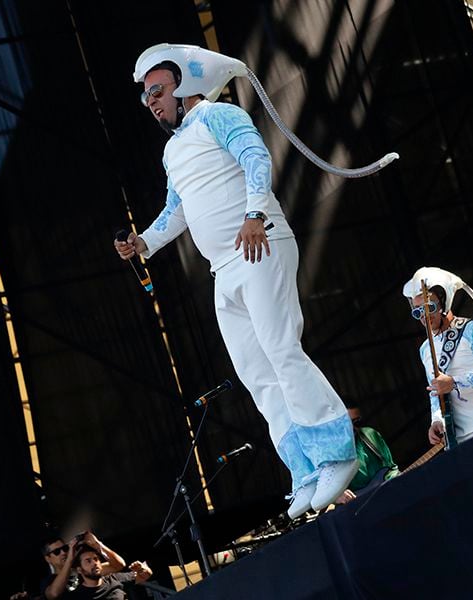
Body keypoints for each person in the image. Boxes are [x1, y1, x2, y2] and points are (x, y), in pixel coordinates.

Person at [116, 44, 357, 518]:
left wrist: (253, 213)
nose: (152, 103)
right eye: (147, 97)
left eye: (158, 91)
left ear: (184, 85)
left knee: (282, 349)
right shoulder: (172, 149)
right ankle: (304, 467)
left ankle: (336, 452)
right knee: (256, 372)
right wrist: (143, 242)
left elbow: (256, 158)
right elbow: (177, 209)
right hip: (224, 269)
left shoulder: (217, 116)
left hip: (259, 243)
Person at [402, 268, 473, 446]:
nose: (424, 316)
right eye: (417, 312)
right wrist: (436, 421)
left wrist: (454, 382)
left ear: (443, 303)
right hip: (460, 439)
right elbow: (436, 391)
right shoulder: (425, 349)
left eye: (429, 308)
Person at [334, 405, 400, 505]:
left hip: (386, 498)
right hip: (355, 508)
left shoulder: (370, 434)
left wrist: (398, 476)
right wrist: (335, 495)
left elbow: (390, 468)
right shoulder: (327, 450)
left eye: (356, 422)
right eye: (346, 422)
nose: (351, 427)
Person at [35, 532, 127, 600]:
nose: (63, 553)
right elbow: (54, 594)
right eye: (57, 552)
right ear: (48, 558)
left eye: (65, 548)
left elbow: (118, 565)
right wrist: (70, 560)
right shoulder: (48, 581)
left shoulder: (83, 570)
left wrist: (97, 544)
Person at [67, 545, 152, 600]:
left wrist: (141, 568)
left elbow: (146, 575)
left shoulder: (114, 578)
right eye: (88, 561)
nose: (94, 563)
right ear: (79, 569)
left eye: (96, 559)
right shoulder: (77, 596)